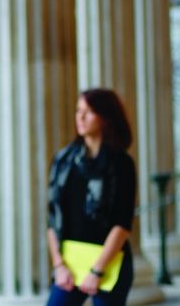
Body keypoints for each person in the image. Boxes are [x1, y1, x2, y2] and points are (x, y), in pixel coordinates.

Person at [46, 88, 136, 306]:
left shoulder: (121, 163)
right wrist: (58, 265)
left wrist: (97, 271)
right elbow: (52, 217)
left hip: (109, 265)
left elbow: (122, 224)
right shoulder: (63, 160)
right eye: (78, 111)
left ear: (106, 117)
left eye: (89, 112)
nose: (81, 117)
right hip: (69, 265)